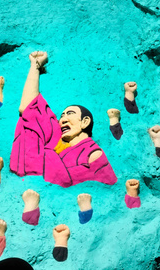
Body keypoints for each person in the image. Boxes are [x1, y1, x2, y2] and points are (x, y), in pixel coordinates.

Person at [9, 51, 117, 187]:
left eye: (70, 114)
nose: (63, 120)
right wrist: (35, 67)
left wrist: (47, 156)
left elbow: (66, 180)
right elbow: (29, 109)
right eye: (62, 116)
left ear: (85, 122)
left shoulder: (93, 154)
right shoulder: (59, 148)